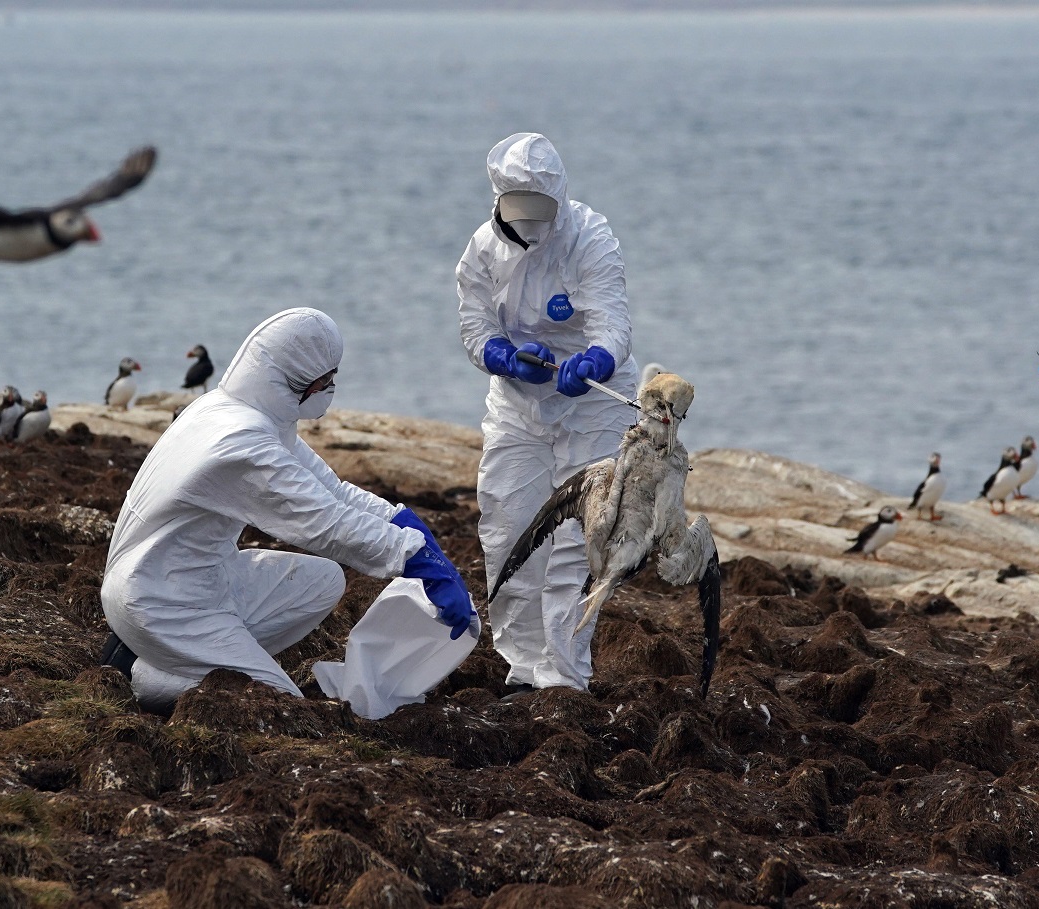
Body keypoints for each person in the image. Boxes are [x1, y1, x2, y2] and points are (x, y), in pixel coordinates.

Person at [100, 308, 474, 712]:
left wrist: (402, 522)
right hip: (158, 599)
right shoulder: (240, 444)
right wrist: (413, 558)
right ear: (294, 381)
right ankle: (148, 674)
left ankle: (179, 657)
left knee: (324, 581)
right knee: (279, 707)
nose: (331, 390)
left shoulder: (238, 411)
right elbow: (326, 523)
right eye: (326, 382)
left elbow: (331, 490)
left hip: (197, 576)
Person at [457, 132, 638, 691]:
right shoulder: (482, 252)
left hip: (591, 412)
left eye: (542, 206)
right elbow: (474, 325)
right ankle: (522, 662)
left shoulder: (590, 238)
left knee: (575, 543)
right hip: (518, 406)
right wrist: (504, 358)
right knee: (508, 527)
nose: (534, 220)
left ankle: (563, 674)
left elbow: (613, 321)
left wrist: (596, 361)